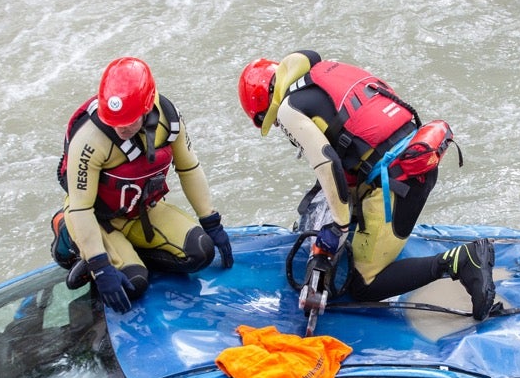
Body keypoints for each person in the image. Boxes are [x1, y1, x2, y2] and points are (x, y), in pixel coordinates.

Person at [236, 50, 495, 320]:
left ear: (266, 105)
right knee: (329, 216)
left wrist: (338, 227)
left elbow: (328, 165)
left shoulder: (290, 108)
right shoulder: (324, 73)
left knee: (364, 285)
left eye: (271, 120)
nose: (278, 125)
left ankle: (462, 260)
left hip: (397, 185)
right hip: (408, 159)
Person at [51, 56, 233, 312]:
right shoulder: (90, 139)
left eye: (129, 121)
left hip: (142, 211)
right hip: (95, 217)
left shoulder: (168, 117)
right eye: (115, 122)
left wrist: (211, 221)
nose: (122, 128)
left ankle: (129, 252)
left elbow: (189, 168)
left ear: (147, 108)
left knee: (201, 252)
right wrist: (100, 266)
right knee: (133, 284)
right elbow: (82, 208)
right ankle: (69, 234)